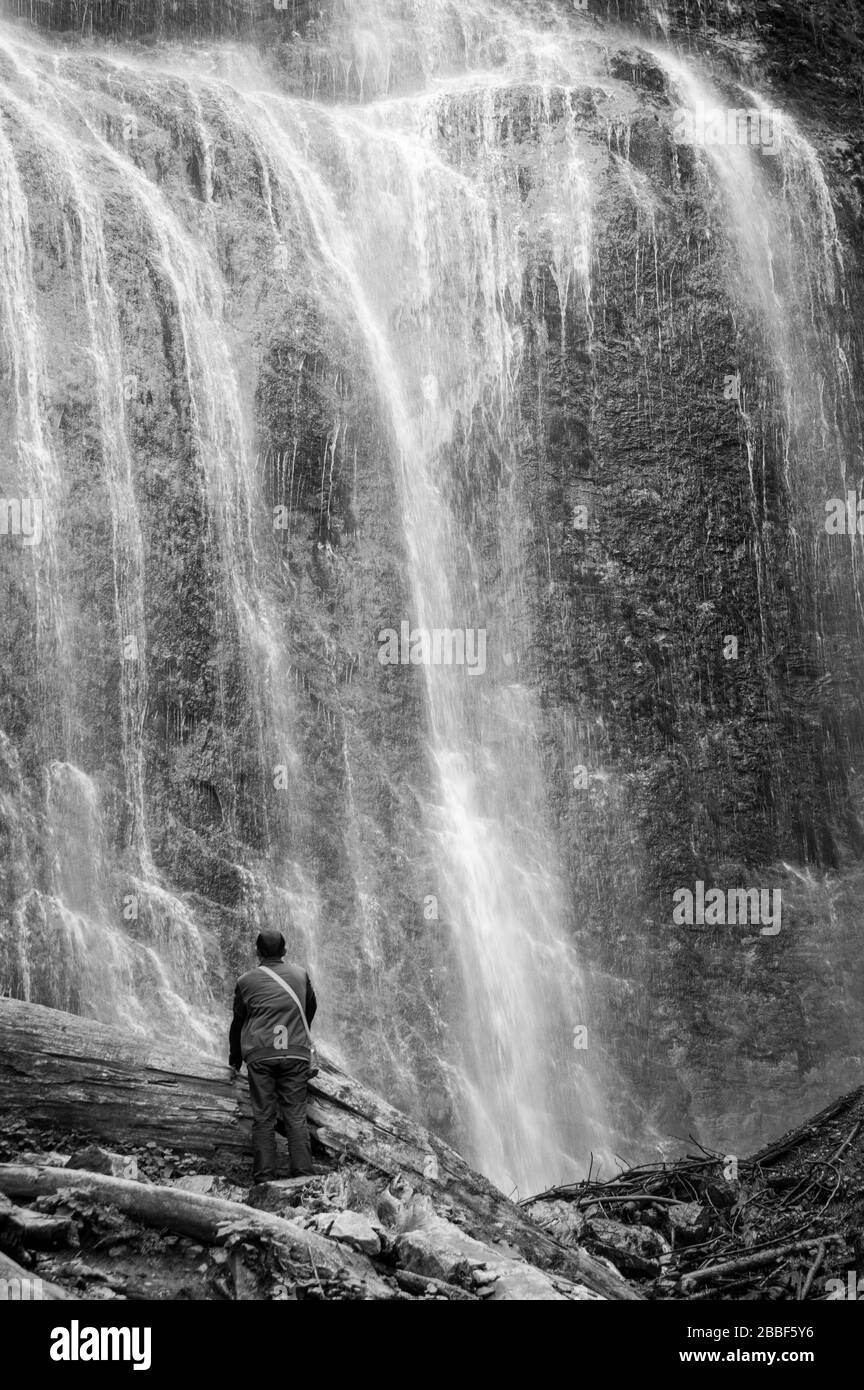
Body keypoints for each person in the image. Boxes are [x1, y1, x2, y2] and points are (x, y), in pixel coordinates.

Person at [228, 929, 317, 1184]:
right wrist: (300, 1032)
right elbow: (310, 1007)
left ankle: (264, 1179)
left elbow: (238, 1023)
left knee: (264, 1117)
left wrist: (234, 1058)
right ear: (285, 951)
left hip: (261, 1054)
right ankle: (303, 1178)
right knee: (296, 1116)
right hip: (295, 1053)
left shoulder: (246, 981)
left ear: (257, 952)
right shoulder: (300, 975)